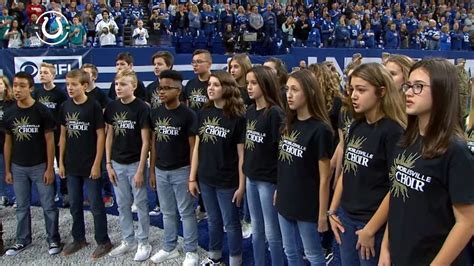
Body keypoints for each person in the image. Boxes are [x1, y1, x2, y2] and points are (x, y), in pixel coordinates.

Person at [379, 58, 474, 266]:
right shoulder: (406, 141)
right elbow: (398, 199)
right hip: (401, 255)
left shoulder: (456, 151)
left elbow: (467, 222)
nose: (408, 92)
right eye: (408, 85)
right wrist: (386, 247)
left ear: (441, 91)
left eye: (418, 87)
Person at [328, 63, 406, 266]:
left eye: (361, 90)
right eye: (352, 89)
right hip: (346, 218)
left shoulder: (394, 132)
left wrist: (371, 229)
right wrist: (333, 211)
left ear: (381, 92)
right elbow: (346, 171)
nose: (353, 95)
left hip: (373, 224)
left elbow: (396, 188)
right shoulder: (356, 125)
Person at [276, 69, 333, 265]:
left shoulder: (321, 130)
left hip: (308, 204)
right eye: (287, 89)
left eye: (295, 90)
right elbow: (283, 164)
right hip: (285, 198)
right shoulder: (287, 123)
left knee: (313, 254)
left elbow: (325, 177)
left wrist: (323, 214)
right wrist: (278, 190)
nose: (289, 95)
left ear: (309, 92)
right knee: (290, 251)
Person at [188, 71, 246, 266]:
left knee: (231, 223)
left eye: (216, 85)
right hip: (205, 178)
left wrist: (241, 185)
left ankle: (236, 260)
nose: (210, 88)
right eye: (209, 84)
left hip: (228, 181)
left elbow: (241, 155)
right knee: (213, 220)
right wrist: (192, 177)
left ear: (227, 89)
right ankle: (215, 256)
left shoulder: (238, 118)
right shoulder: (203, 113)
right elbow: (197, 147)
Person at [3, 72, 61, 256]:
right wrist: (8, 169)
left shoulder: (42, 111)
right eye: (15, 85)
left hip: (40, 166)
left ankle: (53, 239)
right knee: (21, 206)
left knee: (49, 205)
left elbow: (50, 141)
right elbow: (8, 142)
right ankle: (22, 240)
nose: (17, 89)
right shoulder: (10, 112)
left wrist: (50, 167)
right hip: (18, 167)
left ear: (30, 88)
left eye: (21, 85)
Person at [58, 69, 113, 258]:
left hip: (90, 164)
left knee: (96, 205)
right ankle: (79, 238)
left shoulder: (94, 106)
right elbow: (63, 136)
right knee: (74, 204)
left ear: (84, 86)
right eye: (67, 84)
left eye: (74, 84)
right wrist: (61, 163)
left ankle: (103, 241)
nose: (70, 88)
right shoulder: (65, 106)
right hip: (71, 165)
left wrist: (97, 163)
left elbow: (100, 135)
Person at [148, 70, 199, 265]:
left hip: (182, 170)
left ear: (178, 90)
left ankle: (191, 251)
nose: (161, 92)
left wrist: (192, 176)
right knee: (168, 212)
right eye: (160, 88)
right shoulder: (155, 112)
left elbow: (193, 147)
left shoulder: (188, 115)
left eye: (167, 88)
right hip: (161, 170)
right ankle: (170, 247)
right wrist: (152, 171)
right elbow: (153, 144)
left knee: (186, 212)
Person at [105, 69, 151, 261]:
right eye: (116, 84)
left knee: (140, 204)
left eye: (123, 84)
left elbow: (146, 141)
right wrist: (108, 163)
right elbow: (109, 135)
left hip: (135, 164)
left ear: (133, 86)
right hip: (116, 163)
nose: (118, 87)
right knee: (122, 205)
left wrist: (141, 169)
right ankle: (128, 240)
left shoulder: (142, 108)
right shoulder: (112, 107)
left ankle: (143, 242)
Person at [244, 66, 285, 266]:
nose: (249, 87)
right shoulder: (250, 110)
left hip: (268, 181)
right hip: (251, 177)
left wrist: (279, 184)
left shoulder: (275, 113)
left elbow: (281, 152)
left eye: (254, 83)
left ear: (265, 84)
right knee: (256, 229)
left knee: (272, 232)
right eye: (248, 83)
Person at [34, 62, 69, 207]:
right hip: (42, 136)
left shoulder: (60, 94)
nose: (42, 75)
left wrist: (63, 137)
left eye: (45, 73)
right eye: (41, 72)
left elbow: (64, 116)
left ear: (53, 75)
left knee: (62, 165)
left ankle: (65, 193)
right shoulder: (37, 93)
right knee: (46, 166)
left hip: (57, 135)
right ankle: (51, 192)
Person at [81, 64, 114, 208]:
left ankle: (108, 195)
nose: (84, 75)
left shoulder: (100, 94)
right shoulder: (80, 94)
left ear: (94, 76)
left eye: (87, 73)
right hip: (85, 138)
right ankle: (91, 195)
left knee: (103, 169)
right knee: (87, 168)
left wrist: (105, 135)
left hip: (99, 136)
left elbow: (107, 116)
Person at [0, 76, 14, 207]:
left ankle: (16, 196)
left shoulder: (11, 103)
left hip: (10, 141)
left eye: (0, 84)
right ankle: (3, 196)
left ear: (5, 86)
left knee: (12, 170)